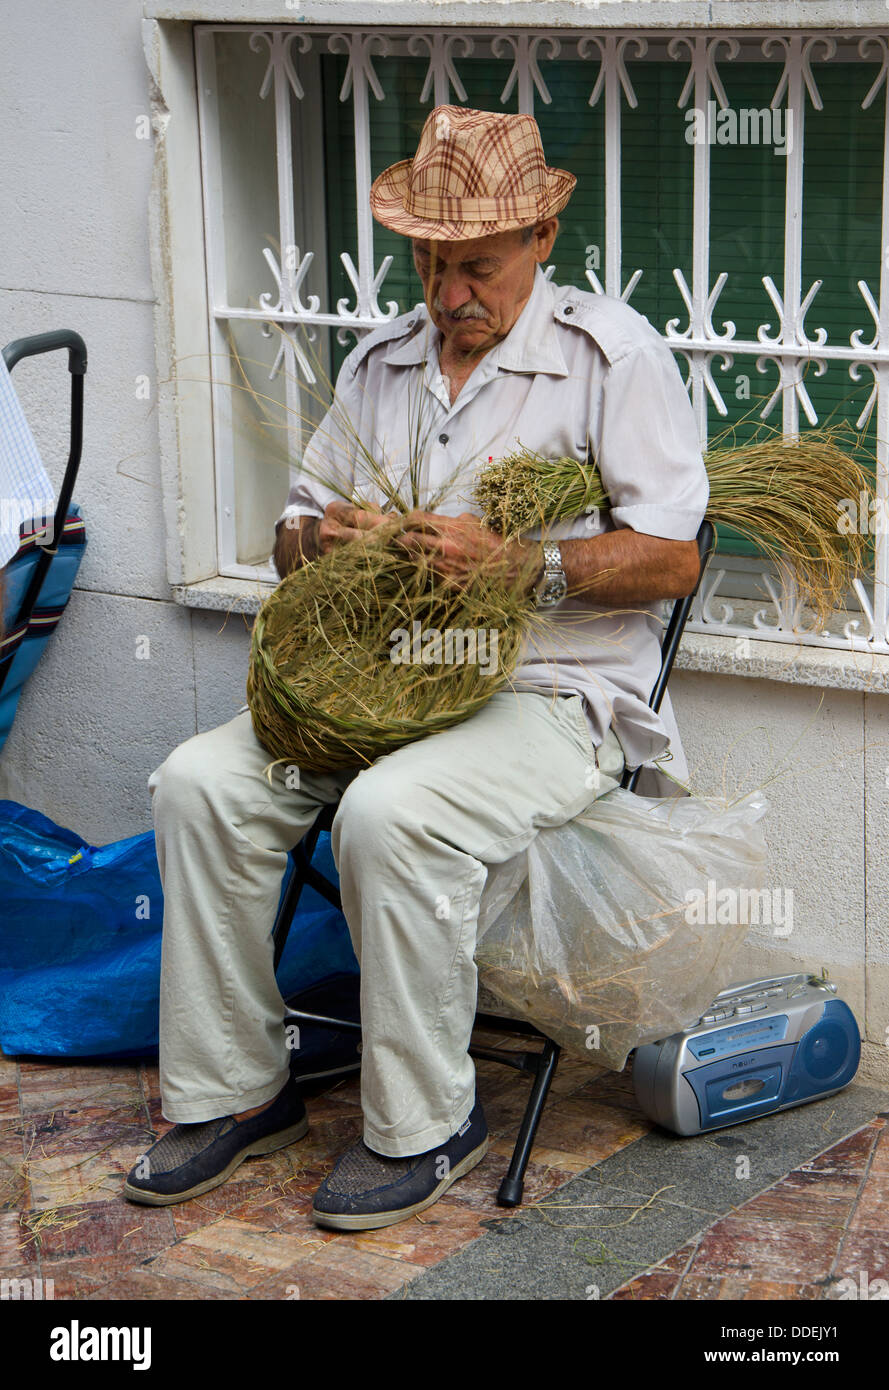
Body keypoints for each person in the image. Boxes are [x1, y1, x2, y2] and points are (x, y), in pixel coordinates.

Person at [124, 106, 708, 1230]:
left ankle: (427, 1122)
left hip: (548, 693)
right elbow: (290, 533)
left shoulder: (610, 358)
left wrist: (520, 566)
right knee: (198, 783)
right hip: (378, 685)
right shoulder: (383, 363)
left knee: (389, 815)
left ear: (542, 235)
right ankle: (236, 1093)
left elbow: (672, 558)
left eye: (474, 266)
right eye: (431, 265)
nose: (447, 296)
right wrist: (318, 541)